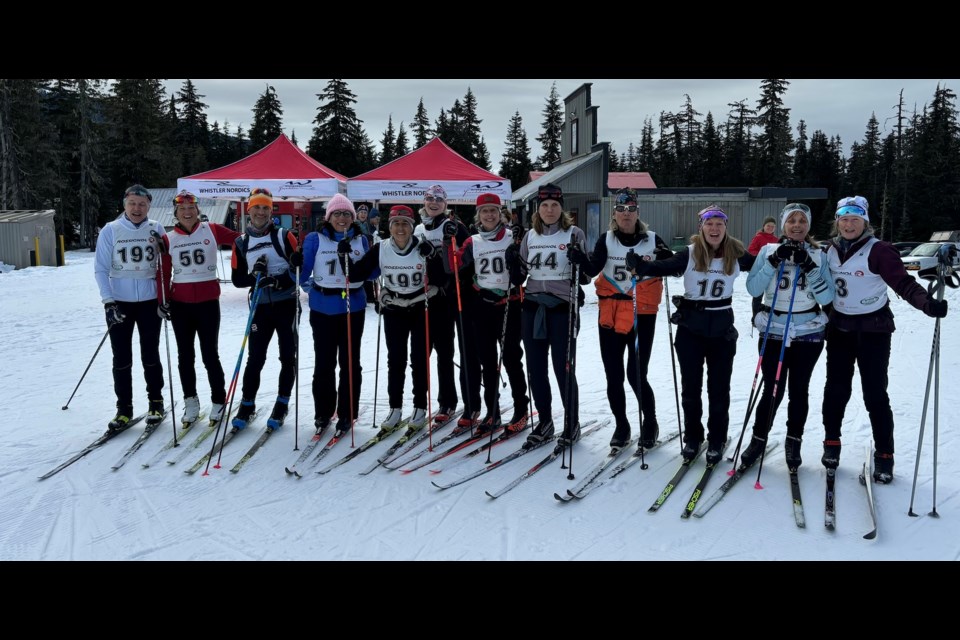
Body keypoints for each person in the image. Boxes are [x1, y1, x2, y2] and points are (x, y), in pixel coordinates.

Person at [820, 196, 948, 483]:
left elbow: (903, 283)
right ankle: (831, 442)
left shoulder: (879, 250)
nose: (849, 223)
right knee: (836, 390)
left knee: (875, 393)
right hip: (839, 330)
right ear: (837, 222)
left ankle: (885, 454)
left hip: (873, 331)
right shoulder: (828, 250)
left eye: (855, 218)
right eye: (844, 218)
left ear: (865, 222)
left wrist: (927, 303)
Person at [629, 205, 755, 464]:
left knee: (719, 389)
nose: (715, 228)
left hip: (721, 329)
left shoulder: (736, 252)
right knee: (691, 388)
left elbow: (763, 266)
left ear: (725, 228)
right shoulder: (689, 253)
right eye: (710, 224)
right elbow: (662, 266)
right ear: (701, 227)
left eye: (719, 224)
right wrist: (640, 265)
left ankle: (717, 438)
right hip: (691, 329)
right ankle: (693, 437)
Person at [567, 188, 673, 450]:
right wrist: (580, 260)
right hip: (611, 314)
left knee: (637, 373)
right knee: (613, 375)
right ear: (614, 213)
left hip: (641, 314)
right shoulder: (607, 239)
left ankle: (650, 422)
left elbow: (674, 265)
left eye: (631, 209)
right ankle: (622, 425)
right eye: (621, 209)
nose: (627, 214)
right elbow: (592, 269)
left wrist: (653, 263)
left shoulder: (652, 239)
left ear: (638, 212)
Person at [741, 203, 835, 470]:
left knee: (799, 390)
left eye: (802, 221)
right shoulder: (768, 250)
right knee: (772, 388)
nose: (797, 225)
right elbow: (753, 288)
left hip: (808, 330)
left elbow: (827, 297)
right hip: (774, 329)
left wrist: (810, 267)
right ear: (783, 225)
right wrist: (772, 261)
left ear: (808, 225)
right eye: (791, 221)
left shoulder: (819, 254)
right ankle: (759, 438)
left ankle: (794, 440)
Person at [345, 205, 446, 431]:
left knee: (419, 359)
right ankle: (395, 407)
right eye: (396, 224)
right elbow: (356, 274)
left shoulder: (422, 247)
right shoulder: (380, 248)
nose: (400, 228)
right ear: (389, 227)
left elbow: (440, 279)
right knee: (396, 360)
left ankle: (420, 406)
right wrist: (345, 254)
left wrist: (434, 257)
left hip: (420, 307)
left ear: (411, 227)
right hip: (394, 309)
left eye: (405, 224)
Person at [506, 183, 588, 449]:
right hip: (532, 306)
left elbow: (585, 276)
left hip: (562, 307)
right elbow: (520, 276)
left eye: (554, 205)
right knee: (536, 368)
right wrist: (512, 262)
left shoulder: (574, 233)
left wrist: (579, 261)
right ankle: (545, 421)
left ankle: (571, 422)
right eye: (544, 206)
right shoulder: (530, 236)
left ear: (561, 207)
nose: (550, 210)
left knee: (562, 368)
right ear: (537, 209)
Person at [443, 193, 529, 435]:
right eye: (484, 211)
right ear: (478, 215)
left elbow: (526, 266)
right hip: (482, 306)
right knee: (488, 363)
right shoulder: (473, 241)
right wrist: (446, 240)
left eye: (493, 210)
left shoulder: (513, 236)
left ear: (500, 213)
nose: (489, 215)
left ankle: (521, 409)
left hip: (509, 305)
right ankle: (492, 412)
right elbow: (452, 265)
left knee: (512, 359)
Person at [159, 190, 241, 427]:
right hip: (180, 305)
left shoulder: (211, 229)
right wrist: (161, 299)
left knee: (209, 354)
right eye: (182, 209)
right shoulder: (167, 238)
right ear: (176, 213)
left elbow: (241, 239)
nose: (187, 212)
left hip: (207, 303)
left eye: (191, 208)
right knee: (185, 356)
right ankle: (191, 401)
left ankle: (218, 400)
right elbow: (163, 273)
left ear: (197, 211)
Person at [94, 184, 168, 430]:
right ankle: (123, 408)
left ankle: (156, 402)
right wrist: (108, 301)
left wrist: (164, 297)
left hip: (149, 301)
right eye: (132, 204)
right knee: (122, 357)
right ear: (124, 205)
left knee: (150, 354)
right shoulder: (111, 230)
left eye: (142, 204)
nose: (137, 208)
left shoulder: (156, 227)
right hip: (120, 302)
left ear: (149, 205)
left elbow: (165, 265)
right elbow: (101, 268)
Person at [299, 193, 372, 437]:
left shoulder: (362, 240)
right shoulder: (314, 239)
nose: (342, 218)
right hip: (323, 308)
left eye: (347, 214)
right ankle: (323, 411)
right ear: (329, 217)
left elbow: (372, 274)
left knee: (350, 362)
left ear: (354, 217)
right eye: (337, 214)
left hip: (353, 306)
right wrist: (298, 269)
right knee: (324, 362)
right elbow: (300, 274)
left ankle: (347, 412)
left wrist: (355, 260)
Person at [230, 187, 302, 431]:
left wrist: (280, 280)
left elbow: (298, 271)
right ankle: (247, 404)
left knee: (286, 356)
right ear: (249, 210)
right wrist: (257, 276)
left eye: (265, 208)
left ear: (271, 211)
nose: (261, 212)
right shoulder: (241, 242)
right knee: (255, 358)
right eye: (256, 207)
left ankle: (282, 403)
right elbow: (238, 280)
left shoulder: (283, 236)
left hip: (286, 304)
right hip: (260, 306)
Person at [414, 185, 482, 428]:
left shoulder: (455, 226)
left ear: (445, 204)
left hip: (458, 296)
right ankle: (447, 402)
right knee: (443, 352)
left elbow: (468, 261)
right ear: (424, 201)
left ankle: (472, 404)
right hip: (434, 299)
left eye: (439, 200)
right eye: (430, 199)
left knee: (467, 351)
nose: (434, 203)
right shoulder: (419, 228)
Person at [747, 216, 780, 321]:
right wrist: (763, 256)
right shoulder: (758, 237)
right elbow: (751, 250)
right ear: (764, 226)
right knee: (758, 296)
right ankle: (755, 318)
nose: (770, 228)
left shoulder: (777, 240)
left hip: (773, 272)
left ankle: (772, 316)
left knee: (773, 294)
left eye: (772, 226)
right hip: (760, 271)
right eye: (768, 226)